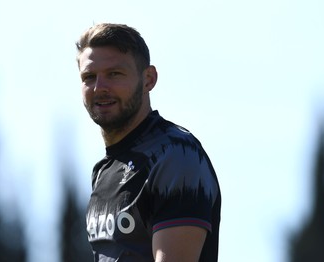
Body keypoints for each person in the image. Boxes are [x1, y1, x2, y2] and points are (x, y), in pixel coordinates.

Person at [76, 23, 221, 262]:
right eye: (89, 77)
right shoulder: (103, 171)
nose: (99, 88)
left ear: (148, 79)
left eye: (114, 74)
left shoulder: (176, 154)